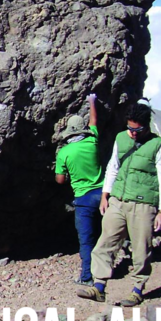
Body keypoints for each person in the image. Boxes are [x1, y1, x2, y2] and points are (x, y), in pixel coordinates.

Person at [77, 101, 161, 307]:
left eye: (137, 129)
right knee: (105, 243)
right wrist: (105, 195)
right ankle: (99, 286)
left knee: (140, 248)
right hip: (118, 200)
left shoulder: (158, 146)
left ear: (147, 126)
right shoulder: (121, 138)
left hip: (144, 204)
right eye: (130, 128)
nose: (133, 133)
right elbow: (113, 167)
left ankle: (137, 289)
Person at [55, 93, 104, 287]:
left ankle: (87, 277)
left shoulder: (64, 152)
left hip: (83, 198)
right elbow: (94, 121)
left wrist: (66, 173)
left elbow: (60, 180)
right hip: (102, 195)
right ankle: (106, 270)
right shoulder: (93, 142)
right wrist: (92, 101)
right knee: (104, 234)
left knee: (86, 239)